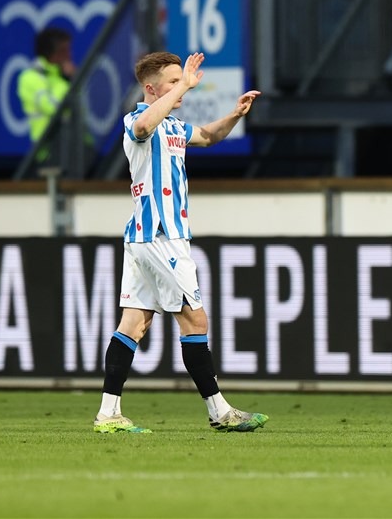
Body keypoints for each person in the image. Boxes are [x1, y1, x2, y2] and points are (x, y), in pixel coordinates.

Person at [93, 51, 267, 434]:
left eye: (181, 81)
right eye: (172, 82)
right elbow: (142, 128)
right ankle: (219, 410)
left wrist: (235, 115)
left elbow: (206, 136)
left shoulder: (172, 126)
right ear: (150, 89)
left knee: (134, 324)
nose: (181, 87)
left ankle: (108, 413)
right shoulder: (138, 122)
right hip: (160, 236)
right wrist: (183, 86)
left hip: (147, 239)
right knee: (195, 319)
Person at [17, 27, 75, 156]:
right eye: (64, 51)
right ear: (53, 54)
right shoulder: (29, 78)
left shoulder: (63, 75)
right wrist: (67, 81)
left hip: (75, 148)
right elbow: (53, 108)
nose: (69, 55)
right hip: (47, 151)